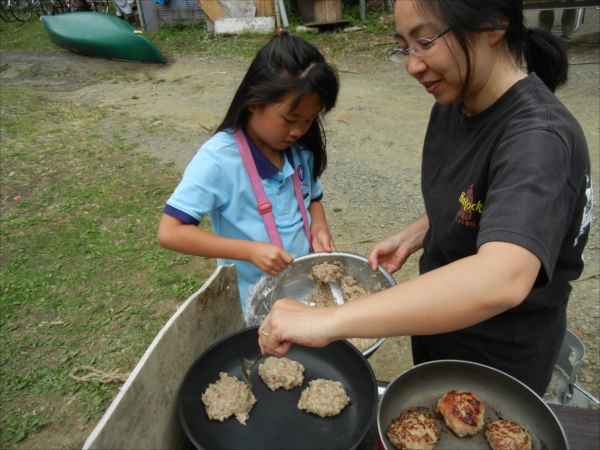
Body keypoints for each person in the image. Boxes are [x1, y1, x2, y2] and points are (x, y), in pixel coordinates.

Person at [258, 0, 593, 397]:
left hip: (497, 365)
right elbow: (479, 195)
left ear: (494, 24)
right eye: (404, 47)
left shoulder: (540, 139)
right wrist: (417, 232)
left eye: (425, 41)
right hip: (440, 331)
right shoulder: (457, 103)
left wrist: (330, 320)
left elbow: (503, 277)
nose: (413, 65)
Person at [157, 30, 340, 312]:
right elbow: (170, 232)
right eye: (290, 119)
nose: (299, 130)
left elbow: (313, 199)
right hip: (251, 304)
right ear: (254, 101)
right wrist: (250, 251)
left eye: (309, 120)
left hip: (305, 294)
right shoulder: (218, 160)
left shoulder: (300, 149)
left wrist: (319, 227)